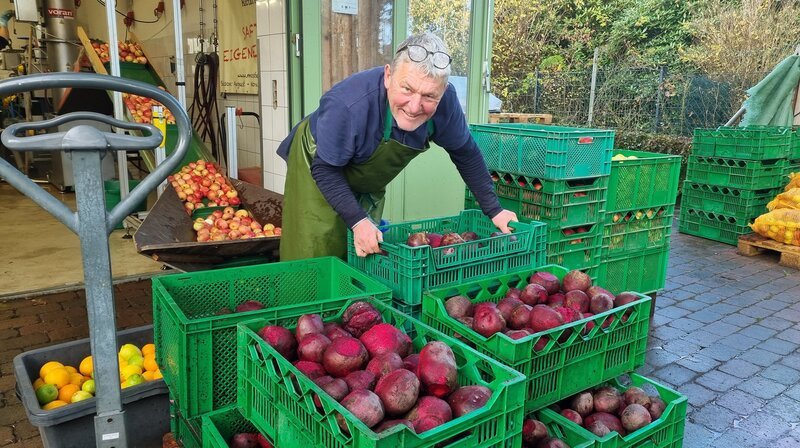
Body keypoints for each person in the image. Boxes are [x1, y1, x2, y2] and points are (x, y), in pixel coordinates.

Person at [277, 32, 517, 261]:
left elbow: (466, 153)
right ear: (388, 76)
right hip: (319, 164)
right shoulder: (347, 105)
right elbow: (325, 170)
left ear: (443, 92)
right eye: (407, 89)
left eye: (429, 96)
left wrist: (495, 210)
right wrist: (359, 221)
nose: (414, 106)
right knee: (315, 250)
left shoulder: (446, 104)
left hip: (364, 175)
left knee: (366, 250)